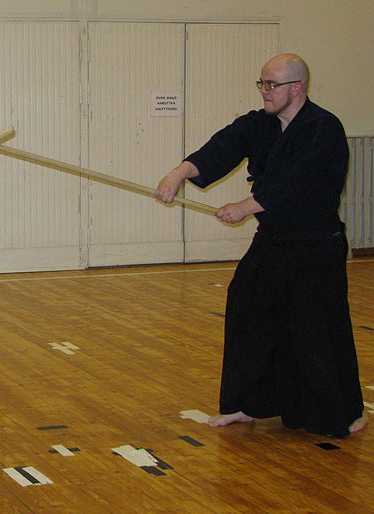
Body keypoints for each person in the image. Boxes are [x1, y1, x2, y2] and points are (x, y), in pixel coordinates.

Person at [155, 53, 367, 437]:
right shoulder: (260, 124)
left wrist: (245, 207)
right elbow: (223, 146)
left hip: (315, 244)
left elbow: (298, 183)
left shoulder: (324, 128)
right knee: (247, 307)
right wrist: (179, 173)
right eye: (262, 84)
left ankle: (344, 411)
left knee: (316, 326)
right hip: (273, 241)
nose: (265, 92)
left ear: (297, 88)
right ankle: (246, 404)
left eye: (272, 85)